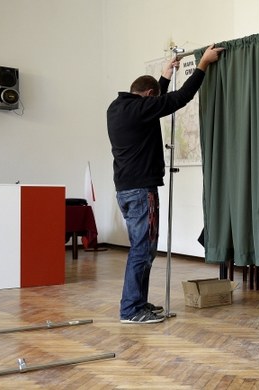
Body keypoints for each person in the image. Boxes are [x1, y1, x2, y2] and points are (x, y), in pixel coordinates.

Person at [107, 44, 223, 324]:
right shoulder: (139, 109)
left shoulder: (118, 107)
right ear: (147, 96)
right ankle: (131, 310)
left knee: (141, 247)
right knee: (142, 249)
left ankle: (137, 303)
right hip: (140, 190)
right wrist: (203, 64)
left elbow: (153, 102)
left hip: (126, 189)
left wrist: (165, 76)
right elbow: (180, 99)